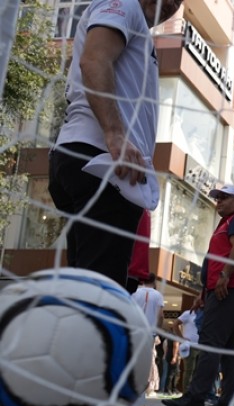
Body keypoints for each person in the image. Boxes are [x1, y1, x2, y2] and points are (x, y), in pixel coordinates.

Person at [48, 0, 183, 289]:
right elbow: (94, 60)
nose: (173, 3)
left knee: (87, 292)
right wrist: (115, 134)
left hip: (100, 164)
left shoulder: (137, 29)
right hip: (102, 163)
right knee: (100, 297)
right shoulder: (124, 3)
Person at [163, 185, 234, 406]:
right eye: (217, 199)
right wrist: (203, 295)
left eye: (225, 198)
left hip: (230, 288)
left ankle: (196, 396)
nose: (219, 202)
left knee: (210, 342)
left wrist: (225, 275)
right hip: (229, 289)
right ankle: (228, 401)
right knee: (228, 347)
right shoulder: (225, 225)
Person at [132, 273, 164, 395]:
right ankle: (143, 391)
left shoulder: (135, 293)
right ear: (155, 282)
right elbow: (160, 316)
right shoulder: (158, 295)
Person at [173, 302, 201, 389]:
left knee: (199, 371)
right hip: (190, 346)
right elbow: (175, 324)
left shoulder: (204, 314)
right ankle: (186, 392)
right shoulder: (188, 314)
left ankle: (195, 392)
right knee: (189, 370)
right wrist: (182, 339)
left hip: (200, 345)